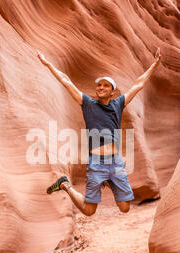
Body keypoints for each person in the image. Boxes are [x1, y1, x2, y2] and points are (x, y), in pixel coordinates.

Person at [38, 48, 162, 216]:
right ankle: (64, 185)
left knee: (125, 207)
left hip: (116, 162)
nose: (101, 87)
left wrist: (154, 66)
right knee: (89, 211)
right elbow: (66, 82)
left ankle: (109, 180)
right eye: (99, 85)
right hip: (96, 163)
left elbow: (138, 85)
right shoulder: (88, 103)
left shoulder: (118, 104)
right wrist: (48, 64)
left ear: (113, 92)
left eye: (106, 85)